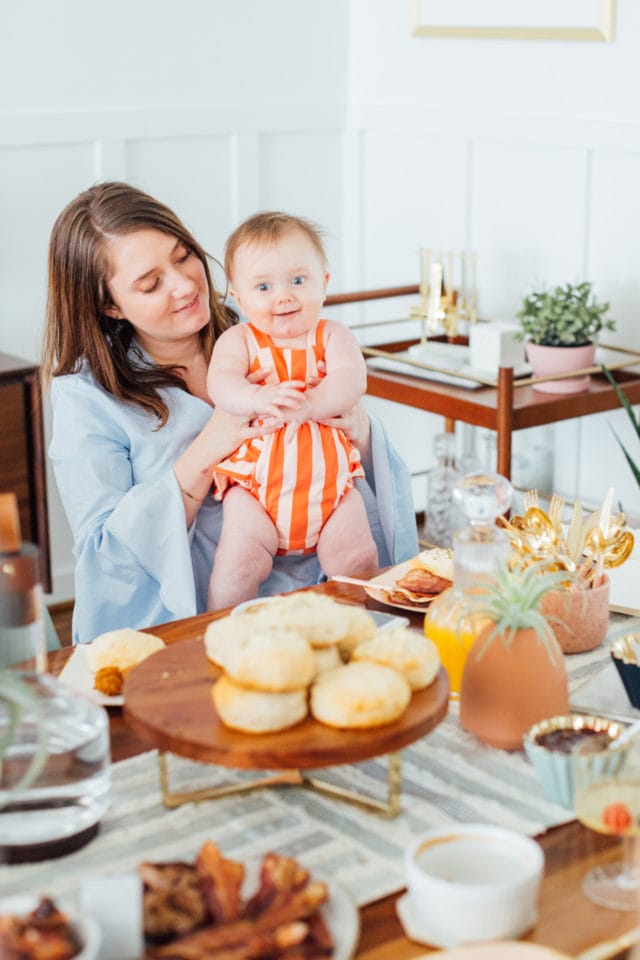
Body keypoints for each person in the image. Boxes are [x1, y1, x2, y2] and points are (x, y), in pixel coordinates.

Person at [42, 181, 418, 645]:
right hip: (197, 621)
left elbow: (354, 459)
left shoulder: (263, 324)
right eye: (151, 283)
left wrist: (357, 428)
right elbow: (105, 557)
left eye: (183, 257)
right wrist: (206, 452)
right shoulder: (87, 397)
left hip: (321, 591)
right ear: (110, 306)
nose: (183, 286)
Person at [207, 212, 378, 609]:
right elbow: (221, 383)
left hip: (331, 487)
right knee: (238, 564)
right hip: (256, 490)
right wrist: (255, 399)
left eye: (298, 281)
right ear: (238, 297)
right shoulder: (240, 340)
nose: (283, 296)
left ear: (324, 284)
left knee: (357, 557)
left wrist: (313, 404)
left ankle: (359, 628)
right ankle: (219, 631)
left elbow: (352, 378)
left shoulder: (332, 335)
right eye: (263, 286)